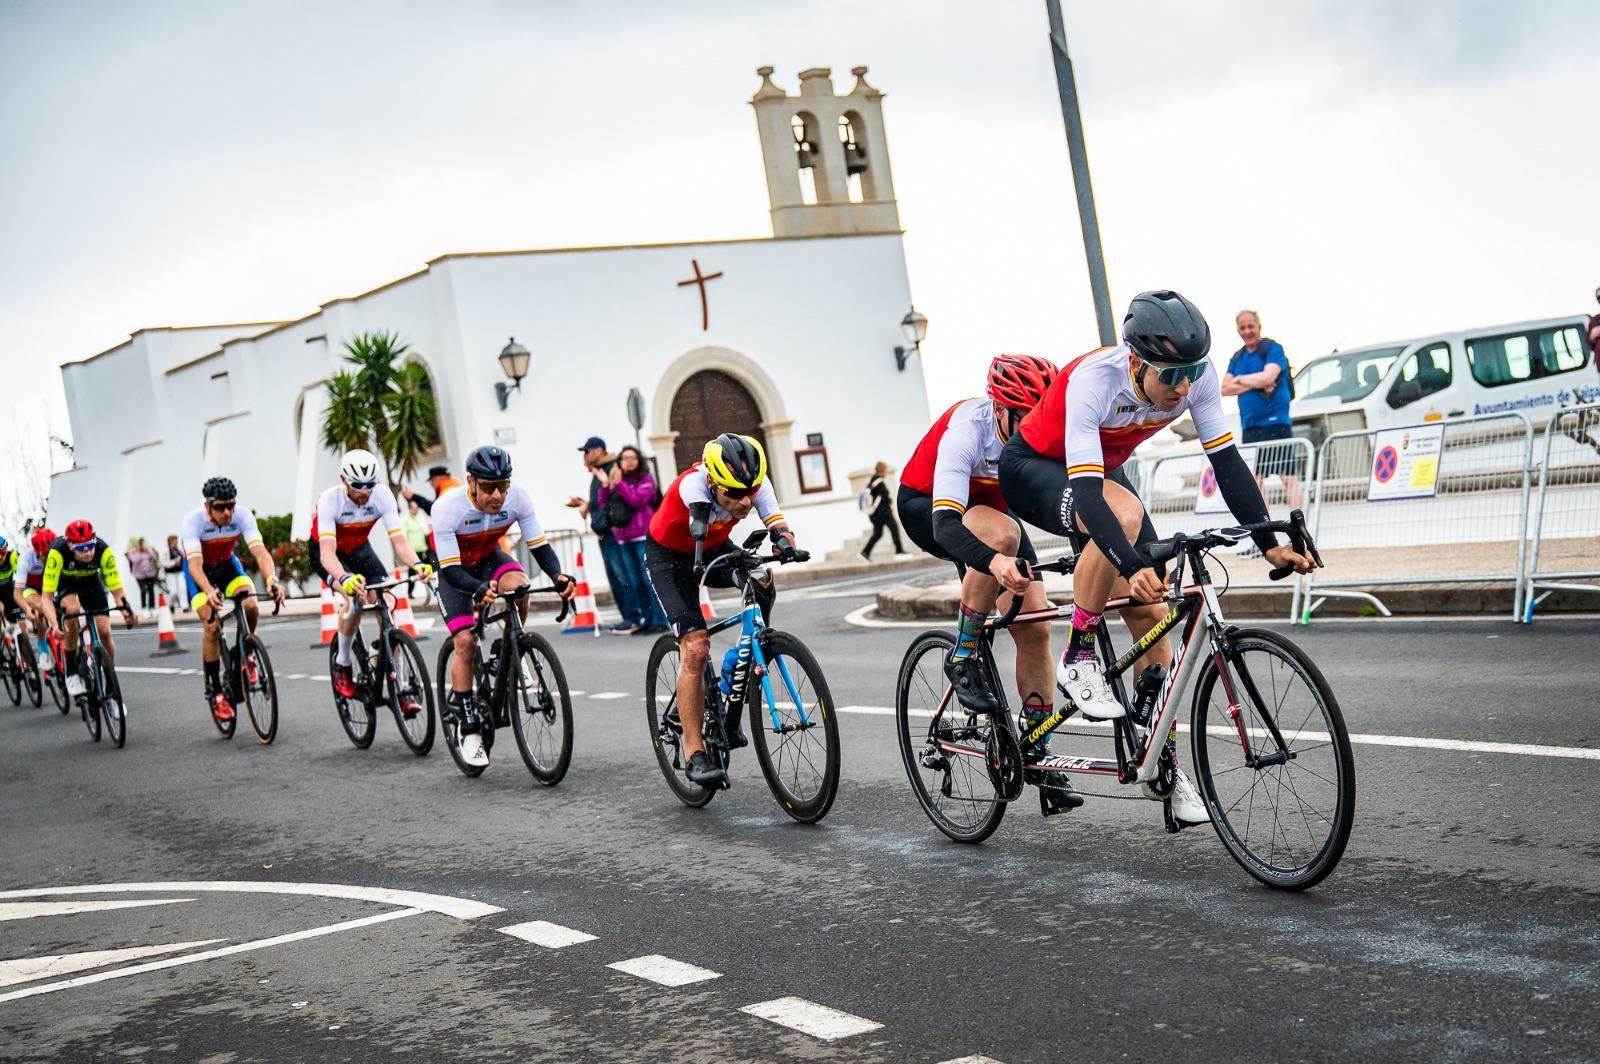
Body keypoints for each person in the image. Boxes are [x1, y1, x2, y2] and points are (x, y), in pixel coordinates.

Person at [1000, 290, 1314, 825]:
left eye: (1192, 372)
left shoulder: (1199, 379)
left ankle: (1164, 767)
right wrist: (1129, 563)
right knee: (1125, 530)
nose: (1184, 387)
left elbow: (1228, 463)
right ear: (1136, 362)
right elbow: (1092, 495)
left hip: (1104, 475)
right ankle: (1080, 656)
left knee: (1152, 614)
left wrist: (1270, 543)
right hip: (1035, 468)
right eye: (1171, 376)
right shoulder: (1093, 381)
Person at [898, 354, 1070, 792]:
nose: (1036, 427)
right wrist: (994, 563)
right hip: (929, 506)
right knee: (1001, 539)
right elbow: (946, 524)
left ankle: (1036, 748)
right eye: (1025, 418)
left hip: (993, 514)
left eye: (1041, 416)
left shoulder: (1041, 430)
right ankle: (964, 653)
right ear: (999, 410)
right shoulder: (967, 430)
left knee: (1037, 624)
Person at [644, 433, 798, 787]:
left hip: (712, 546)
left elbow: (776, 521)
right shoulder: (693, 487)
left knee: (760, 579)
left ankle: (742, 661)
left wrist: (786, 542)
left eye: (750, 493)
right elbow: (698, 521)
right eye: (734, 495)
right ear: (713, 482)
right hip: (670, 556)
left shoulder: (753, 484)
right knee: (696, 648)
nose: (745, 503)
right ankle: (694, 751)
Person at [433, 445, 574, 768]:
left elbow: (538, 544)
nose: (497, 495)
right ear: (470, 482)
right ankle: (469, 727)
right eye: (487, 488)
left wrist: (558, 575)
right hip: (454, 570)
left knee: (519, 586)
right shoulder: (447, 508)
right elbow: (452, 570)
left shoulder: (519, 498)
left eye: (503, 486)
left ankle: (507, 649)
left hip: (487, 558)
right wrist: (477, 589)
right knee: (466, 642)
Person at [309, 449, 432, 700]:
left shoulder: (382, 495)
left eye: (370, 485)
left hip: (360, 550)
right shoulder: (330, 501)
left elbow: (399, 543)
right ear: (343, 480)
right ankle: (342, 663)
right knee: (356, 598)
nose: (365, 491)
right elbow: (327, 554)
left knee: (386, 603)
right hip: (328, 553)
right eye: (357, 486)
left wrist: (418, 564)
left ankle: (400, 687)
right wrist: (344, 578)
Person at [180, 477, 286, 724]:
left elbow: (260, 552)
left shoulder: (242, 516)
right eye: (220, 507)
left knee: (250, 603)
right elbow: (194, 565)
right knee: (212, 626)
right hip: (200, 574)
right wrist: (207, 589)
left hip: (227, 566)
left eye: (231, 505)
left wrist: (271, 579)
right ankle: (215, 690)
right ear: (207, 506)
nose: (227, 512)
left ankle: (245, 652)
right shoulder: (192, 522)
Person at [38, 520, 138, 702]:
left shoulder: (103, 550)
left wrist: (126, 613)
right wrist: (53, 624)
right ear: (70, 545)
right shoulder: (57, 552)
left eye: (90, 546)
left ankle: (110, 685)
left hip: (91, 583)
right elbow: (46, 598)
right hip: (65, 583)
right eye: (81, 548)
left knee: (105, 632)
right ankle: (71, 672)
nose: (88, 552)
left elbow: (117, 591)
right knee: (73, 610)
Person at [1220, 309, 1302, 510]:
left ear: (1259, 327)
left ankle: (1298, 523)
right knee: (1255, 480)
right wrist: (1254, 382)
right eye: (1242, 328)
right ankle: (1268, 527)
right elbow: (1224, 388)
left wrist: (1240, 380)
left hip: (1276, 423)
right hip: (1250, 426)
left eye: (1251, 326)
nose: (1247, 331)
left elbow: (1268, 377)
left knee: (1288, 477)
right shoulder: (1237, 357)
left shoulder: (1272, 348)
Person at [566, 436, 637, 632]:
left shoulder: (611, 469)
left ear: (598, 451)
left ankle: (633, 616)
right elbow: (601, 503)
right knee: (615, 577)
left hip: (612, 532)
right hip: (604, 533)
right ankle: (628, 616)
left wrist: (605, 520)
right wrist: (585, 504)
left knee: (622, 576)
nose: (584, 458)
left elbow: (614, 499)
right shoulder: (599, 471)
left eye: (586, 452)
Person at [596, 444, 669, 634]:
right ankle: (646, 618)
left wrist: (619, 484)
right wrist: (605, 485)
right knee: (634, 581)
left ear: (639, 461)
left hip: (642, 537)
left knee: (648, 579)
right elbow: (604, 504)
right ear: (619, 462)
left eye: (632, 458)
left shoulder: (645, 480)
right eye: (625, 458)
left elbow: (636, 500)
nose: (629, 461)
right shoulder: (616, 481)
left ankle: (659, 619)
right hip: (623, 539)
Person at [19, 529, 54, 671]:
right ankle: (42, 650)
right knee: (41, 607)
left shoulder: (58, 553)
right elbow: (18, 591)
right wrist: (27, 609)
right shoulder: (26, 558)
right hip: (31, 588)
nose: (45, 557)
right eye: (43, 554)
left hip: (49, 585)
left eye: (48, 553)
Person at [859, 461, 908, 561]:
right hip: (883, 512)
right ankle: (899, 551)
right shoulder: (879, 482)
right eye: (886, 470)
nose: (887, 472)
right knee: (894, 528)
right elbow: (884, 497)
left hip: (875, 514)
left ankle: (865, 552)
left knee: (878, 533)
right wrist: (889, 502)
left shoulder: (873, 481)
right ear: (883, 471)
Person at [401, 497, 435, 597]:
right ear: (410, 509)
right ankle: (410, 592)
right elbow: (403, 535)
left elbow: (425, 530)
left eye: (417, 508)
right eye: (414, 508)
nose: (416, 510)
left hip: (424, 549)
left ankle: (434, 589)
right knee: (412, 572)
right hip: (413, 551)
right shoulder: (406, 519)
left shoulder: (420, 517)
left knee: (429, 570)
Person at [125, 537, 160, 614]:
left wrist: (149, 550)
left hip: (150, 574)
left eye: (142, 543)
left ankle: (152, 607)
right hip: (139, 575)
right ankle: (144, 607)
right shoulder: (132, 552)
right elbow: (136, 560)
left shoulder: (147, 551)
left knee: (151, 590)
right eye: (139, 543)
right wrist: (138, 551)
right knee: (143, 590)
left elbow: (155, 557)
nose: (141, 545)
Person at [162, 534, 186, 612]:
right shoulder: (166, 551)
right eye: (174, 540)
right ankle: (171, 605)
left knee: (182, 588)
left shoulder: (179, 550)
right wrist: (174, 562)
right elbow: (164, 563)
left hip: (180, 572)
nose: (176, 542)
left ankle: (184, 606)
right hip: (170, 574)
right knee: (173, 591)